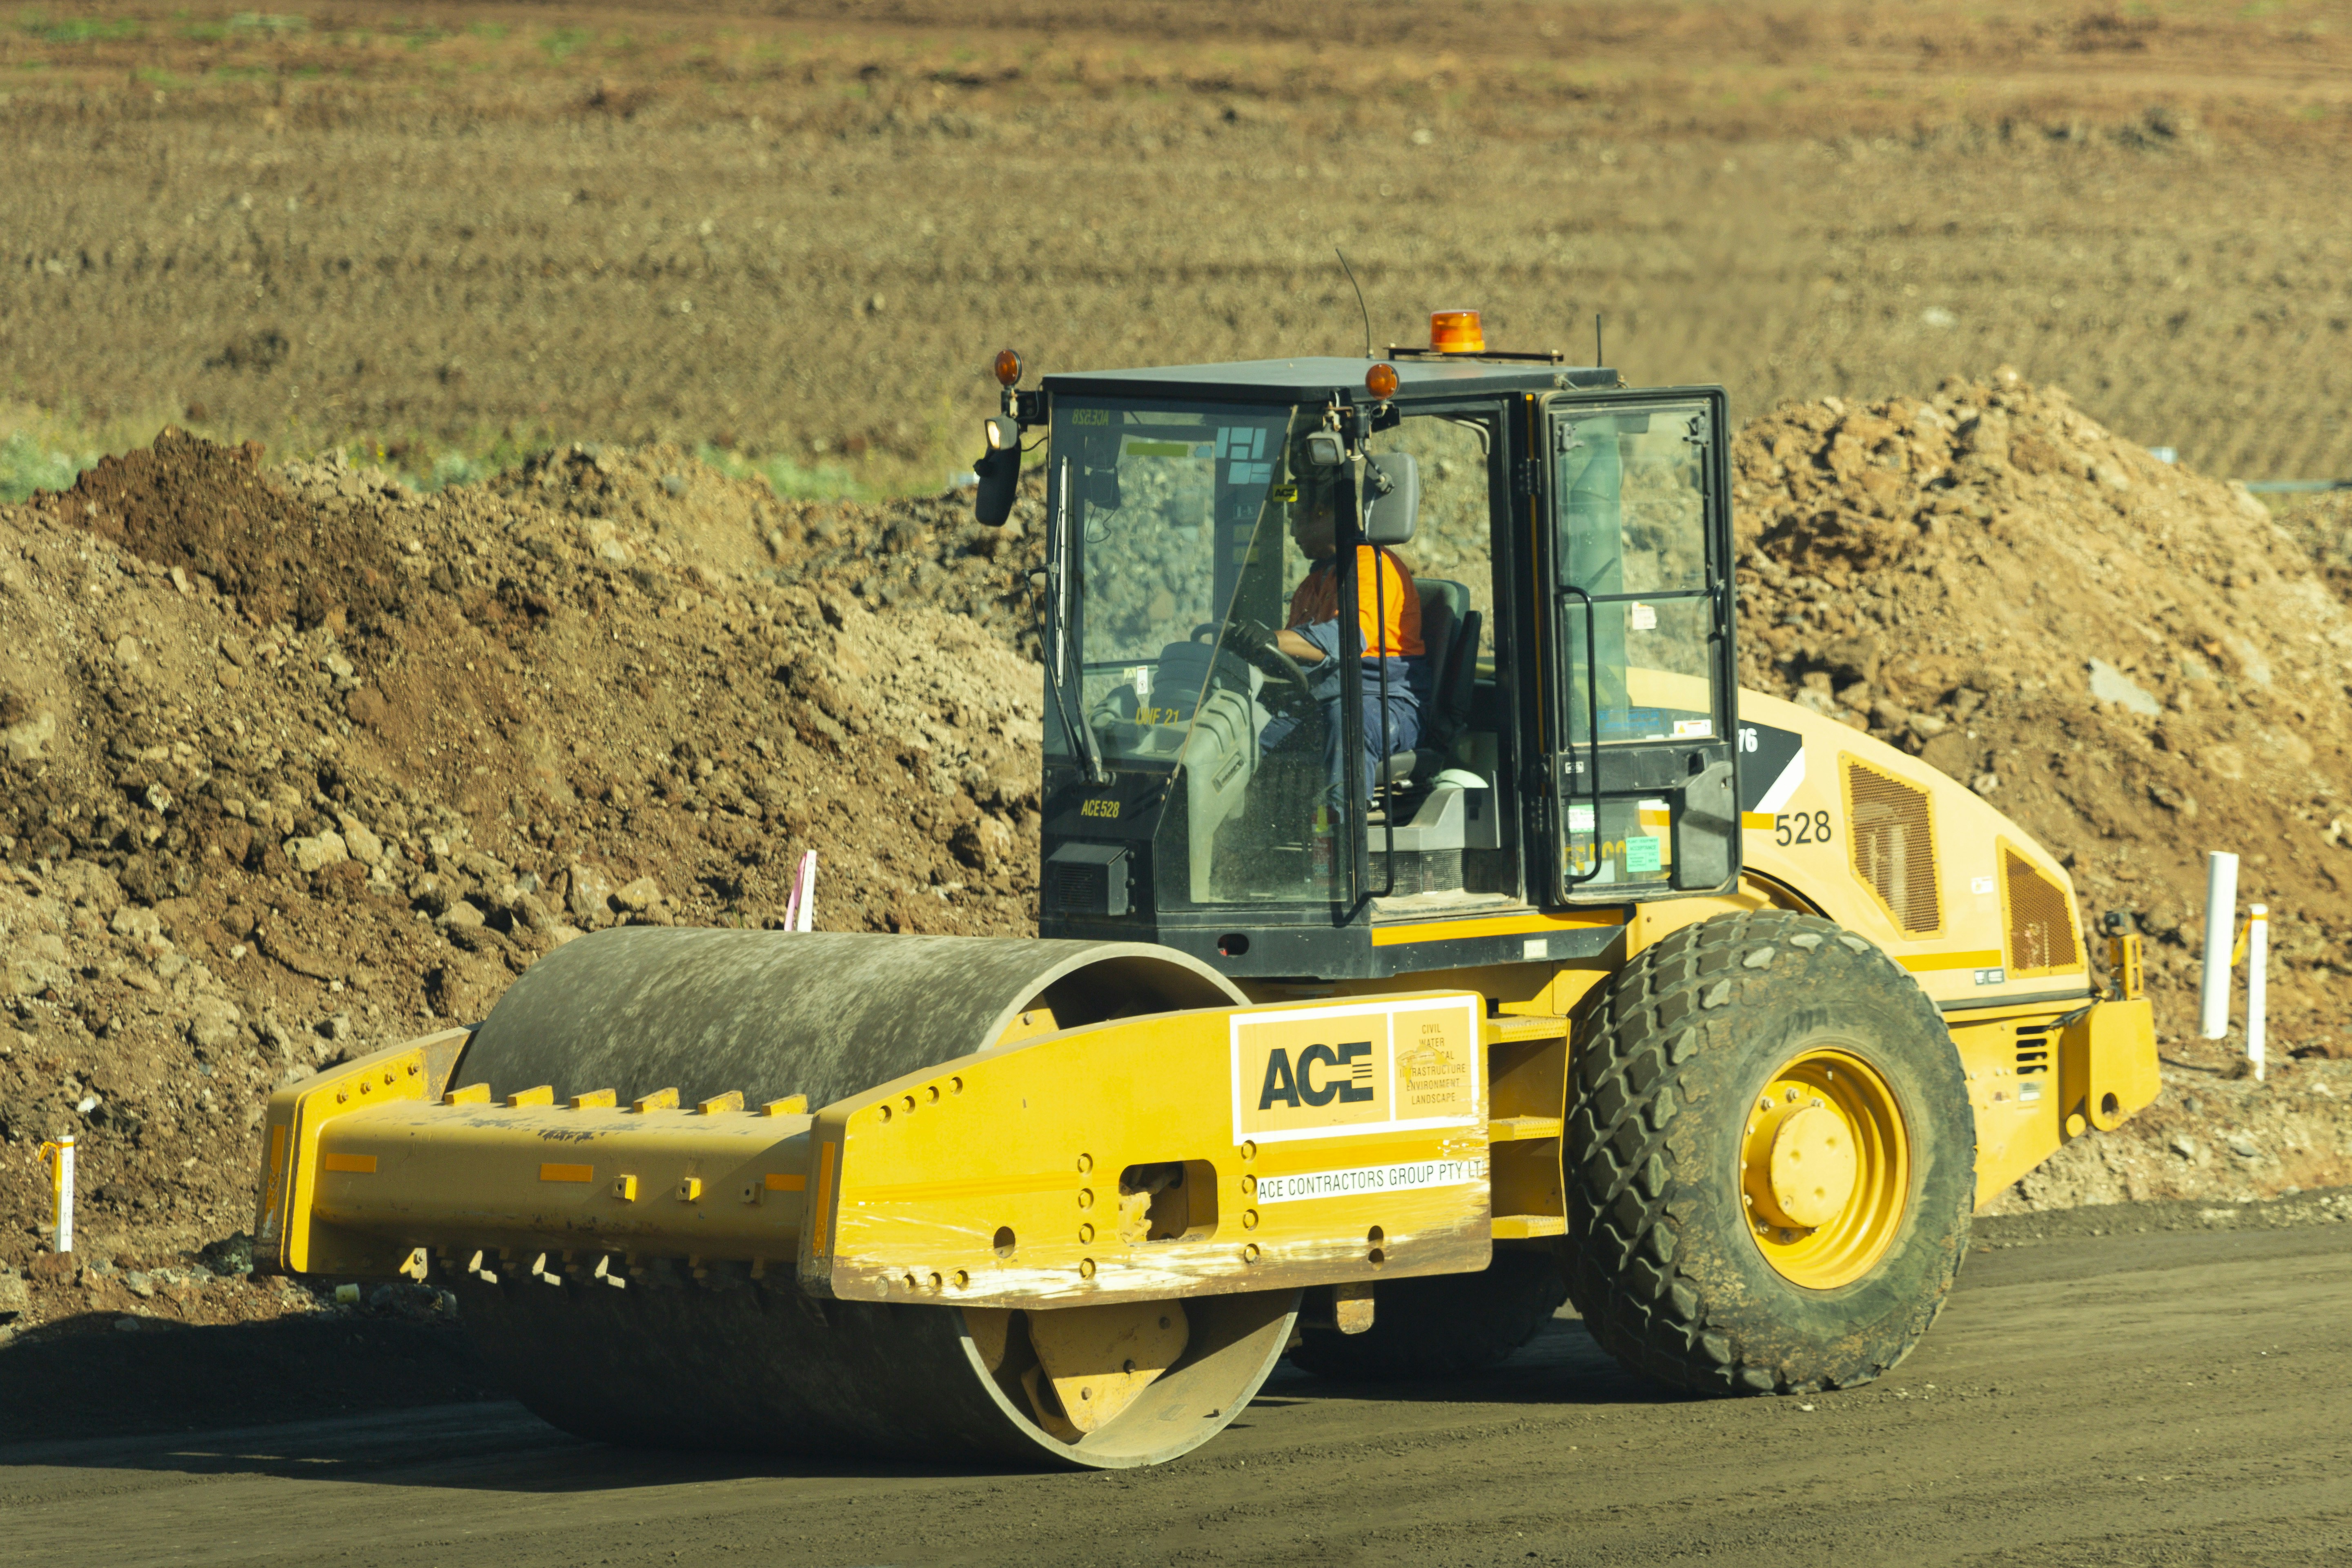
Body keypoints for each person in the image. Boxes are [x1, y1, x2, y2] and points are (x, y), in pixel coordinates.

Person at [1234, 476, 1428, 808]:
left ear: (1323, 513)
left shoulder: (1372, 567)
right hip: (1320, 700)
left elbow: (1345, 640)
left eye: (1295, 518)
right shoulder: (1313, 584)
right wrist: (1248, 648)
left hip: (1382, 701)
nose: (1292, 531)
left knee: (1346, 721)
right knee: (1242, 736)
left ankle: (1340, 840)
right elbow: (1292, 658)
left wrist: (1272, 639)